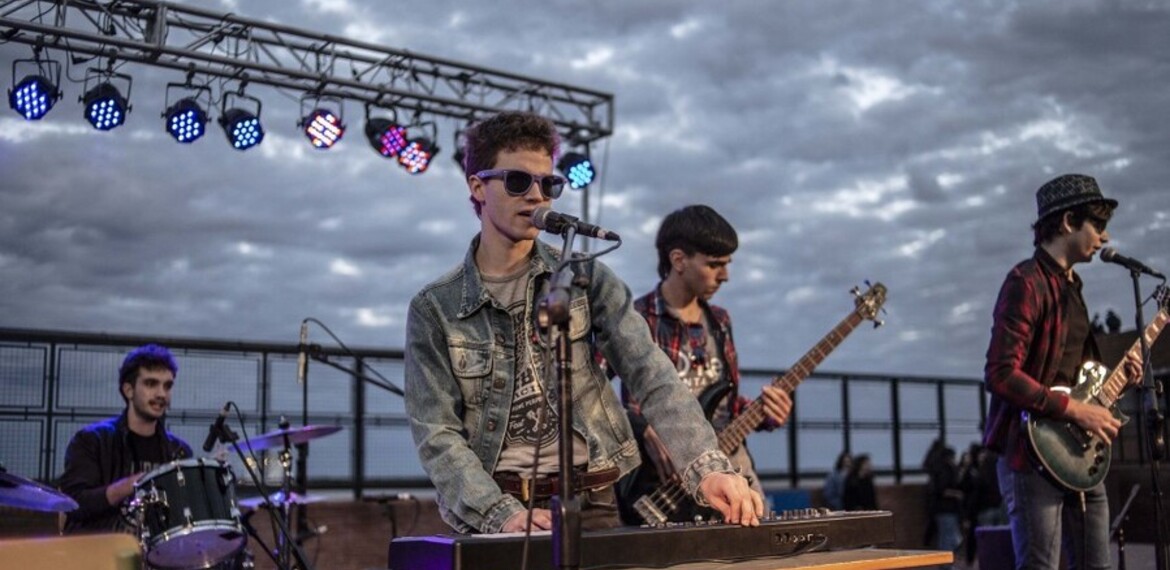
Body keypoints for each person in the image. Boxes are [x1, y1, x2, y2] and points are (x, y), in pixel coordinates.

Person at [403, 111, 762, 534]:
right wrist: (500, 514)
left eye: (549, 184)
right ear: (477, 187)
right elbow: (437, 432)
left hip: (592, 502)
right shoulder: (435, 307)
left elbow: (652, 374)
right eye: (518, 181)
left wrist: (706, 468)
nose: (537, 196)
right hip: (496, 513)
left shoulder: (586, 277)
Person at [983, 173, 1143, 569]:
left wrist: (1119, 380)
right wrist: (1074, 411)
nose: (1104, 238)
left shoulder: (1074, 288)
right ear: (1068, 222)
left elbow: (1075, 379)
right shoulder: (1025, 282)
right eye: (1098, 225)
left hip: (1078, 453)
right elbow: (1001, 372)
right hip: (1030, 454)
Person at [616, 204, 792, 522]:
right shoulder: (634, 320)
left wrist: (766, 412)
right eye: (714, 265)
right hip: (661, 477)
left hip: (728, 461)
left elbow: (726, 403)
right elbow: (588, 391)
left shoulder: (720, 321)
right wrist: (642, 428)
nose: (724, 276)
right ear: (678, 260)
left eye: (727, 264)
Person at [59, 344, 193, 533]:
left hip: (158, 556)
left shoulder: (178, 451)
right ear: (128, 390)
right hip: (102, 553)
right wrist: (132, 485)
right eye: (150, 384)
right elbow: (73, 504)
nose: (161, 394)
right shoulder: (92, 440)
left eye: (167, 385)